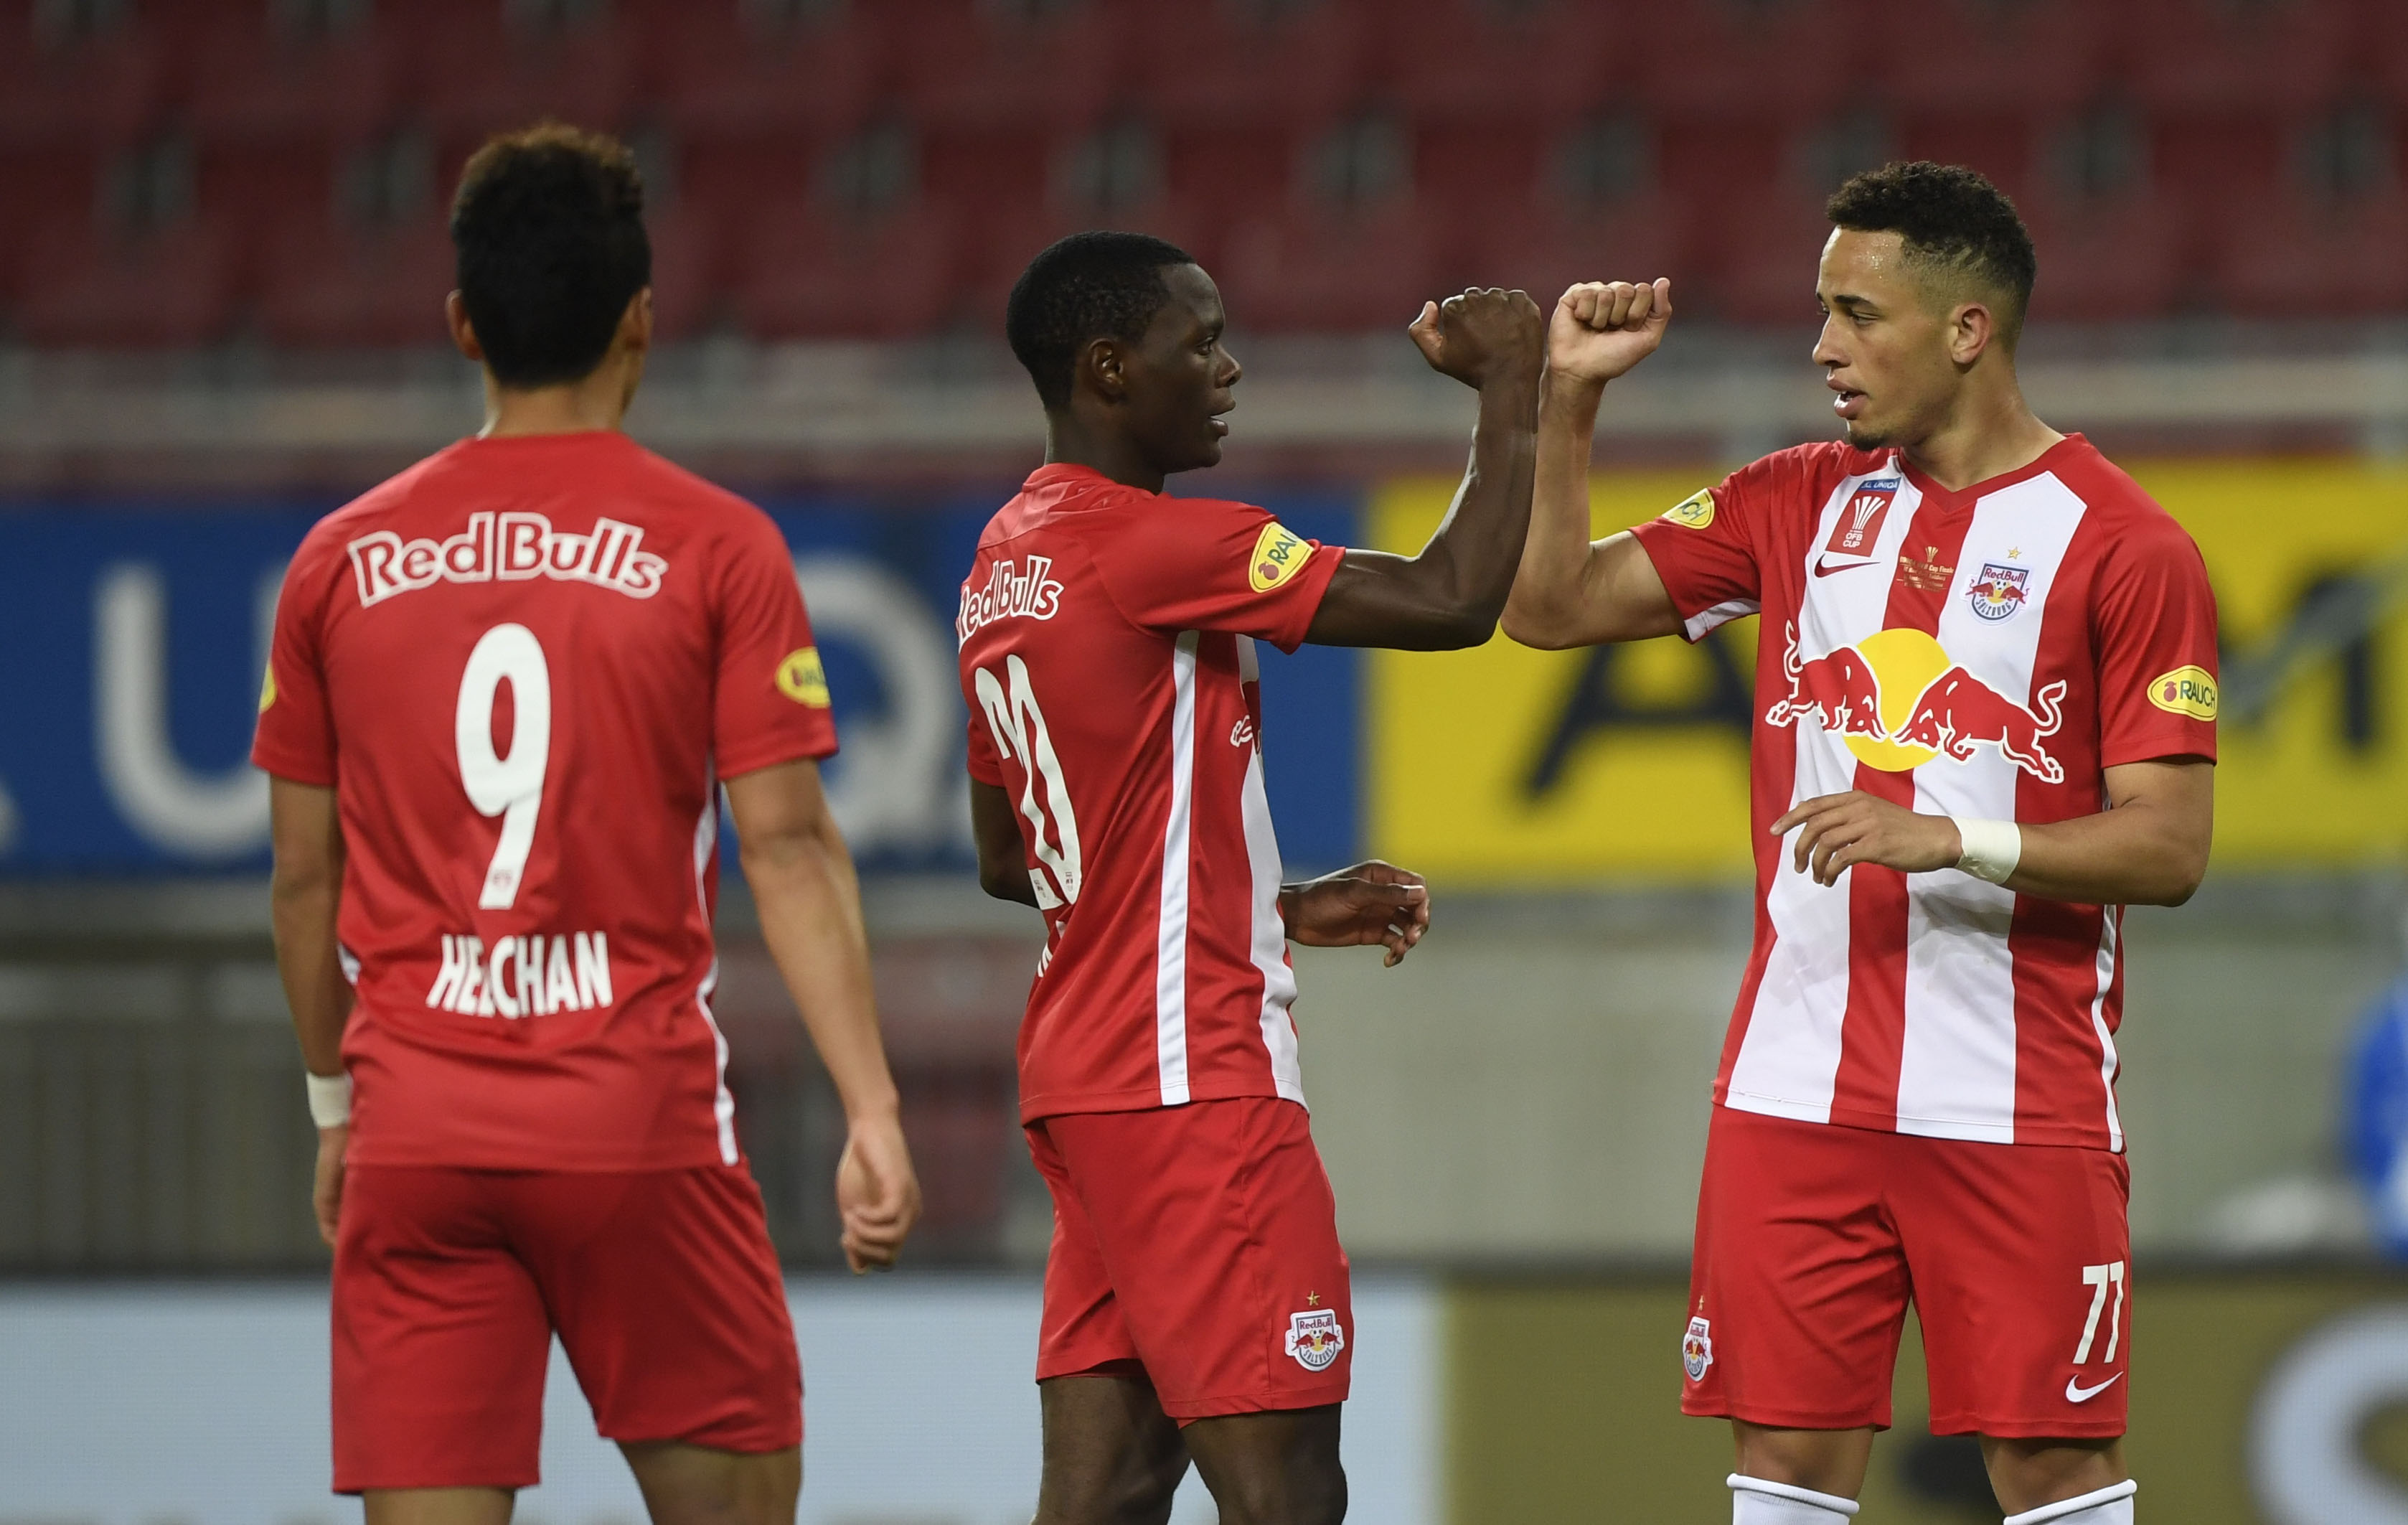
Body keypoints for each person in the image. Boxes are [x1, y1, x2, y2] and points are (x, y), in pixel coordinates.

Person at [1503, 161, 2216, 1525]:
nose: (1823, 346)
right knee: (1782, 1471)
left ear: (1968, 330)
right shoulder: (1799, 500)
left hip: (2018, 1102)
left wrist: (1947, 834)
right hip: (1792, 1087)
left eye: (1856, 312)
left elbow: (2169, 847)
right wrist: (1571, 399)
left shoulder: (2128, 545)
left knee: (2055, 1471)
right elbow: (1550, 607)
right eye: (1820, 310)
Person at [253, 123, 921, 1525]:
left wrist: (334, 1109)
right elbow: (788, 843)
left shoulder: (336, 562)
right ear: (643, 321)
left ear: (460, 325)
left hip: (417, 1133)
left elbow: (304, 880)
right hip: (635, 1126)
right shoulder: (716, 546)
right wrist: (869, 1104)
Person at [959, 230, 1542, 1524]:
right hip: (1193, 1086)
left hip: (1084, 1084)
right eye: (1201, 341)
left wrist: (1266, 905)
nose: (1228, 368)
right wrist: (1514, 385)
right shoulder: (1152, 545)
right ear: (1111, 368)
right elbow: (1452, 600)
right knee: (1288, 1497)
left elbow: (1017, 859)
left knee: (1103, 1492)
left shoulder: (1005, 557)